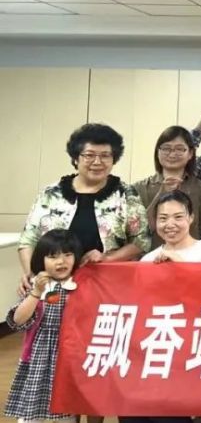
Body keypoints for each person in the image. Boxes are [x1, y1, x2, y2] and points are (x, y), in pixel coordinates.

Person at [17, 123, 149, 295]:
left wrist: (106, 258)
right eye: (89, 155)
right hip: (53, 286)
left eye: (105, 155)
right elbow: (28, 239)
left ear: (113, 159)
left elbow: (141, 241)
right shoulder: (51, 193)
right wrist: (32, 274)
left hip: (108, 285)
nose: (97, 162)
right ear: (75, 158)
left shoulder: (125, 193)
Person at [5, 229, 81, 423]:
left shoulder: (80, 284)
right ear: (41, 260)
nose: (61, 262)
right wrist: (36, 292)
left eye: (67, 255)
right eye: (53, 256)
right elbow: (18, 320)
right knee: (30, 412)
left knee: (66, 410)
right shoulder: (36, 284)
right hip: (38, 355)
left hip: (69, 355)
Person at [133, 126, 201, 247]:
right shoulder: (140, 188)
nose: (172, 154)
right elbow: (137, 232)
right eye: (166, 148)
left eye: (180, 149)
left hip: (191, 256)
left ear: (190, 153)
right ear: (157, 152)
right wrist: (162, 193)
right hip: (152, 256)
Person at [140, 191, 201, 263]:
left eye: (178, 217)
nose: (170, 225)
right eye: (163, 218)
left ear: (191, 218)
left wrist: (180, 264)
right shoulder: (148, 260)